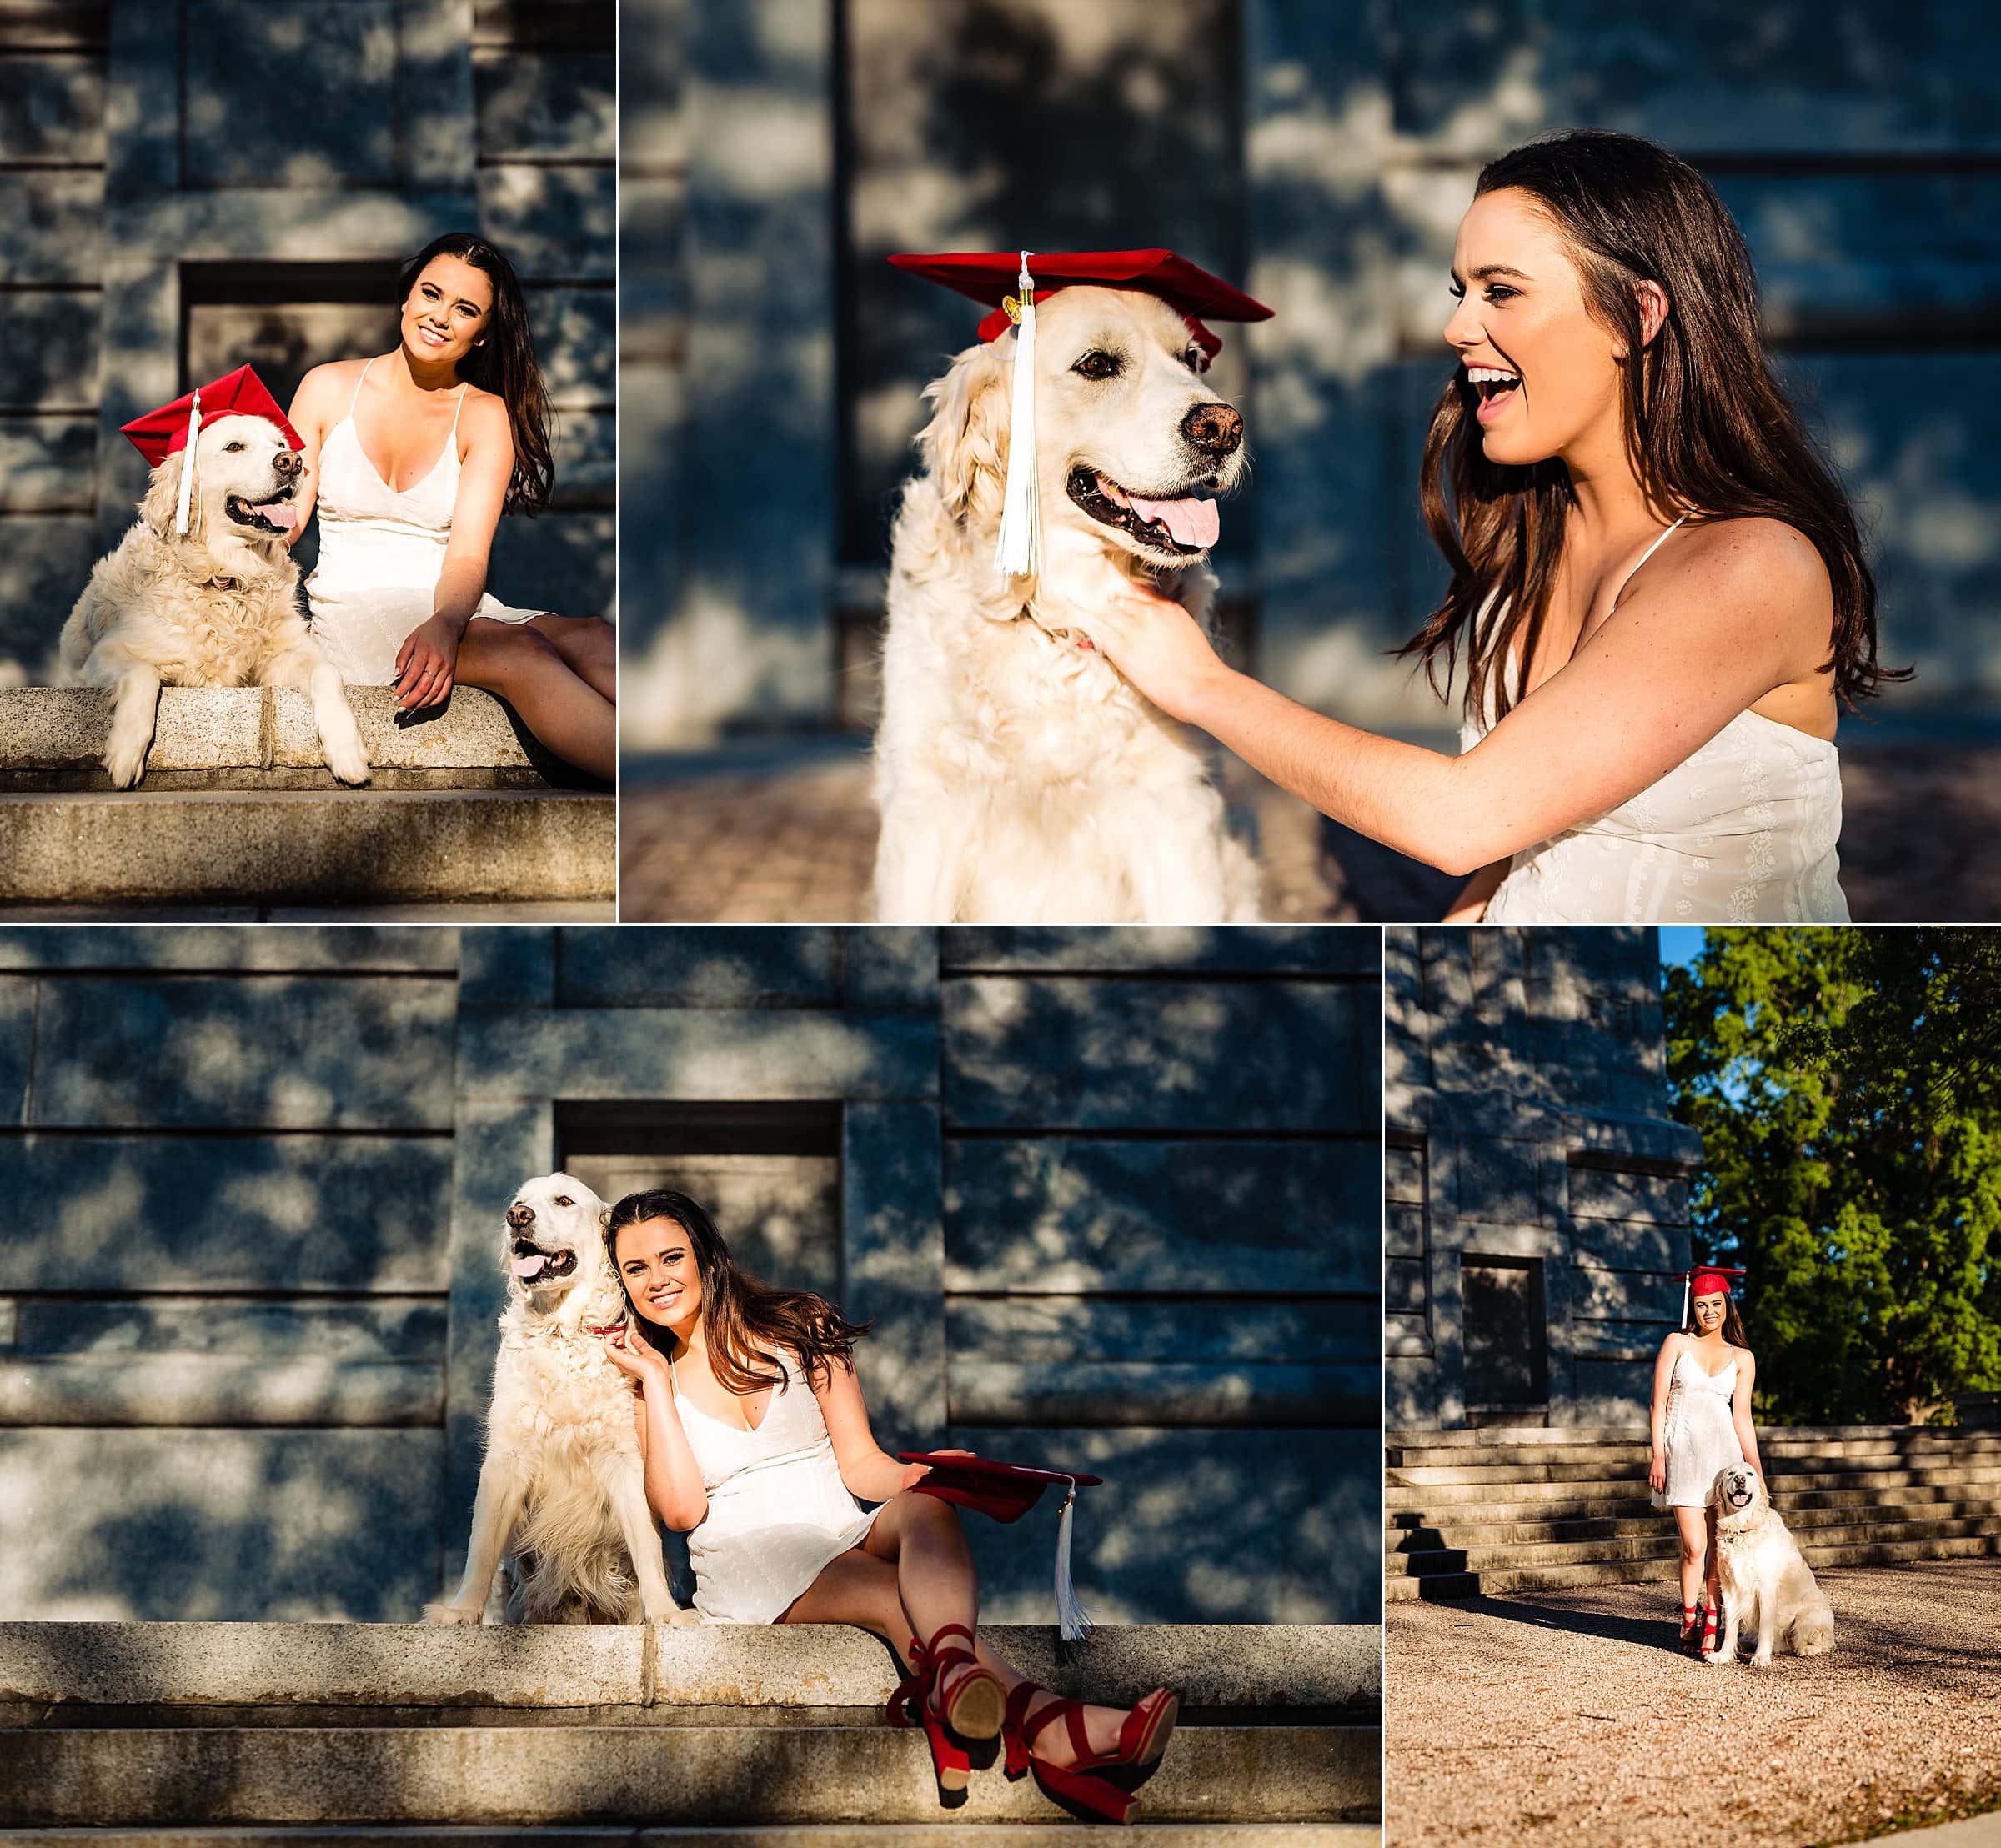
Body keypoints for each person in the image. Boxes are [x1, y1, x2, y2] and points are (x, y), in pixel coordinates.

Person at [1084, 129, 1902, 923]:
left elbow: (1462, 818)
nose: (1456, 327)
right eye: (1460, 290)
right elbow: (1526, 841)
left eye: (1501, 291)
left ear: (1636, 317)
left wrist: (1201, 685)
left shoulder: (1753, 566)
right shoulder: (1529, 543)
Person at [599, 1188, 1177, 1822]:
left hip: (840, 1518)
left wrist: (924, 1472)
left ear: (706, 1255)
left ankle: (957, 1671)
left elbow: (863, 1464)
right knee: (884, 1592)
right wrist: (655, 1379)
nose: (656, 1279)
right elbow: (681, 1512)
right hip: (751, 1553)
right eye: (635, 1268)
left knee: (929, 1503)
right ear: (623, 1282)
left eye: (670, 1256)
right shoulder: (645, 1378)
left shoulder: (802, 1323)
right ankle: (1054, 1723)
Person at [285, 232, 615, 780]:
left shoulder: (486, 415)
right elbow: (288, 518)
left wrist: (446, 621)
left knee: (595, 637)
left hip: (452, 602)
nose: (441, 316)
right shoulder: (326, 387)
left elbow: (464, 556)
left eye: (464, 309)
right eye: (431, 294)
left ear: (483, 335)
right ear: (406, 299)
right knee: (523, 654)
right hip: (355, 609)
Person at [1648, 1267, 1763, 1656]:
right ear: (1692, 1308)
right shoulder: (1676, 1344)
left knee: (1719, 1548)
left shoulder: (1742, 1357)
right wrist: (1658, 1456)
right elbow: (1657, 1402)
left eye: (1716, 1304)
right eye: (1701, 1305)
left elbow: (1742, 1417)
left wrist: (1756, 1472)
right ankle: (1688, 1616)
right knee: (1694, 1548)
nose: (1709, 1311)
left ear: (1727, 1306)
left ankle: (1713, 1625)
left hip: (1722, 1460)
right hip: (1681, 1453)